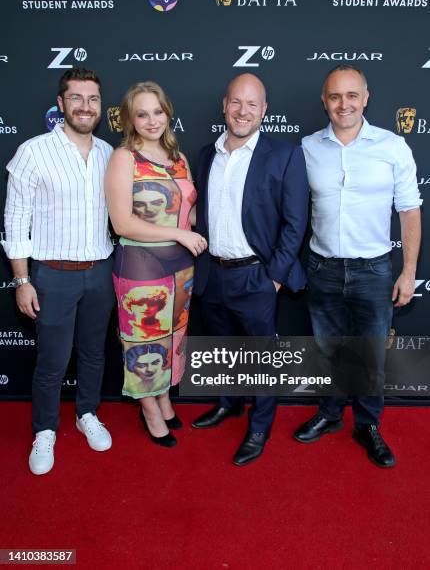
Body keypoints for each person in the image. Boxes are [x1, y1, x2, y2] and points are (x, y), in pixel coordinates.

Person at [294, 65, 422, 468]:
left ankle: (367, 425)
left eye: (352, 95)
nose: (343, 104)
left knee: (370, 357)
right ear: (324, 101)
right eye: (335, 96)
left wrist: (408, 270)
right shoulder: (307, 148)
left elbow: (410, 212)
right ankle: (330, 414)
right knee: (328, 350)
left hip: (374, 270)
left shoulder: (392, 146)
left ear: (366, 98)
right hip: (322, 268)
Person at [2, 67, 115, 475]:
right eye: (77, 98)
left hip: (100, 271)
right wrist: (22, 280)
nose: (85, 106)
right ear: (61, 104)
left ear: (101, 106)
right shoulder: (33, 152)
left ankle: (87, 413)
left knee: (93, 354)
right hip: (51, 275)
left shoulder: (109, 154)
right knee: (52, 361)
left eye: (92, 99)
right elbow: (15, 221)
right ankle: (45, 431)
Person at [192, 73, 309, 466]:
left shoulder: (285, 155)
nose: (243, 111)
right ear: (224, 105)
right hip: (213, 272)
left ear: (265, 111)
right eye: (236, 103)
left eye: (252, 104)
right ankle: (228, 403)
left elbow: (295, 224)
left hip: (256, 276)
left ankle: (259, 426)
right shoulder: (207, 154)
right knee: (220, 348)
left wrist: (274, 277)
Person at [105, 81, 207, 447]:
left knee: (174, 336)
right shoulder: (124, 158)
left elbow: (189, 212)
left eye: (158, 111)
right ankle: (149, 408)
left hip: (182, 268)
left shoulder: (178, 156)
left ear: (168, 112)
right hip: (141, 266)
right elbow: (122, 223)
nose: (152, 120)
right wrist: (179, 234)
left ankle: (163, 397)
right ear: (130, 119)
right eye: (142, 113)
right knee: (143, 343)